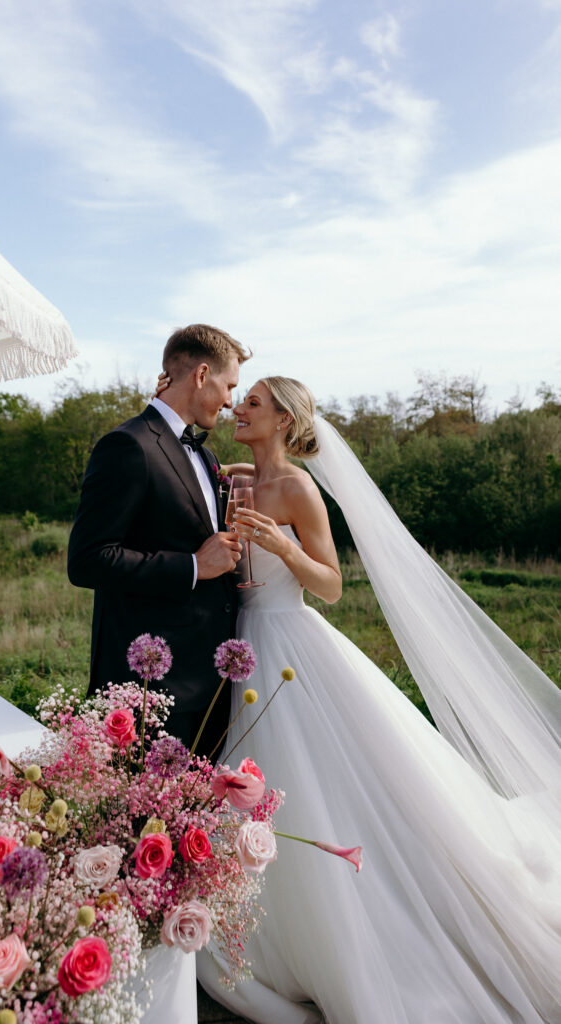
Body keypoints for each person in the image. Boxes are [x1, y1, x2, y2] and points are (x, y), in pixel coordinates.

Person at [187, 376, 560, 1024]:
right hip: (239, 645)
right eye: (237, 399)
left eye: (252, 403)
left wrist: (280, 545)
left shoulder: (299, 488)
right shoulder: (235, 477)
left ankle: (356, 919)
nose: (237, 409)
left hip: (292, 641)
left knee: (316, 782)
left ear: (282, 418)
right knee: (252, 781)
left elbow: (329, 585)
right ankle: (266, 922)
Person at [67, 324, 250, 758]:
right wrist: (192, 565)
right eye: (229, 386)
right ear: (202, 375)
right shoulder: (127, 446)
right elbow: (88, 560)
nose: (230, 401)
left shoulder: (205, 455)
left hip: (212, 684)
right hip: (152, 692)